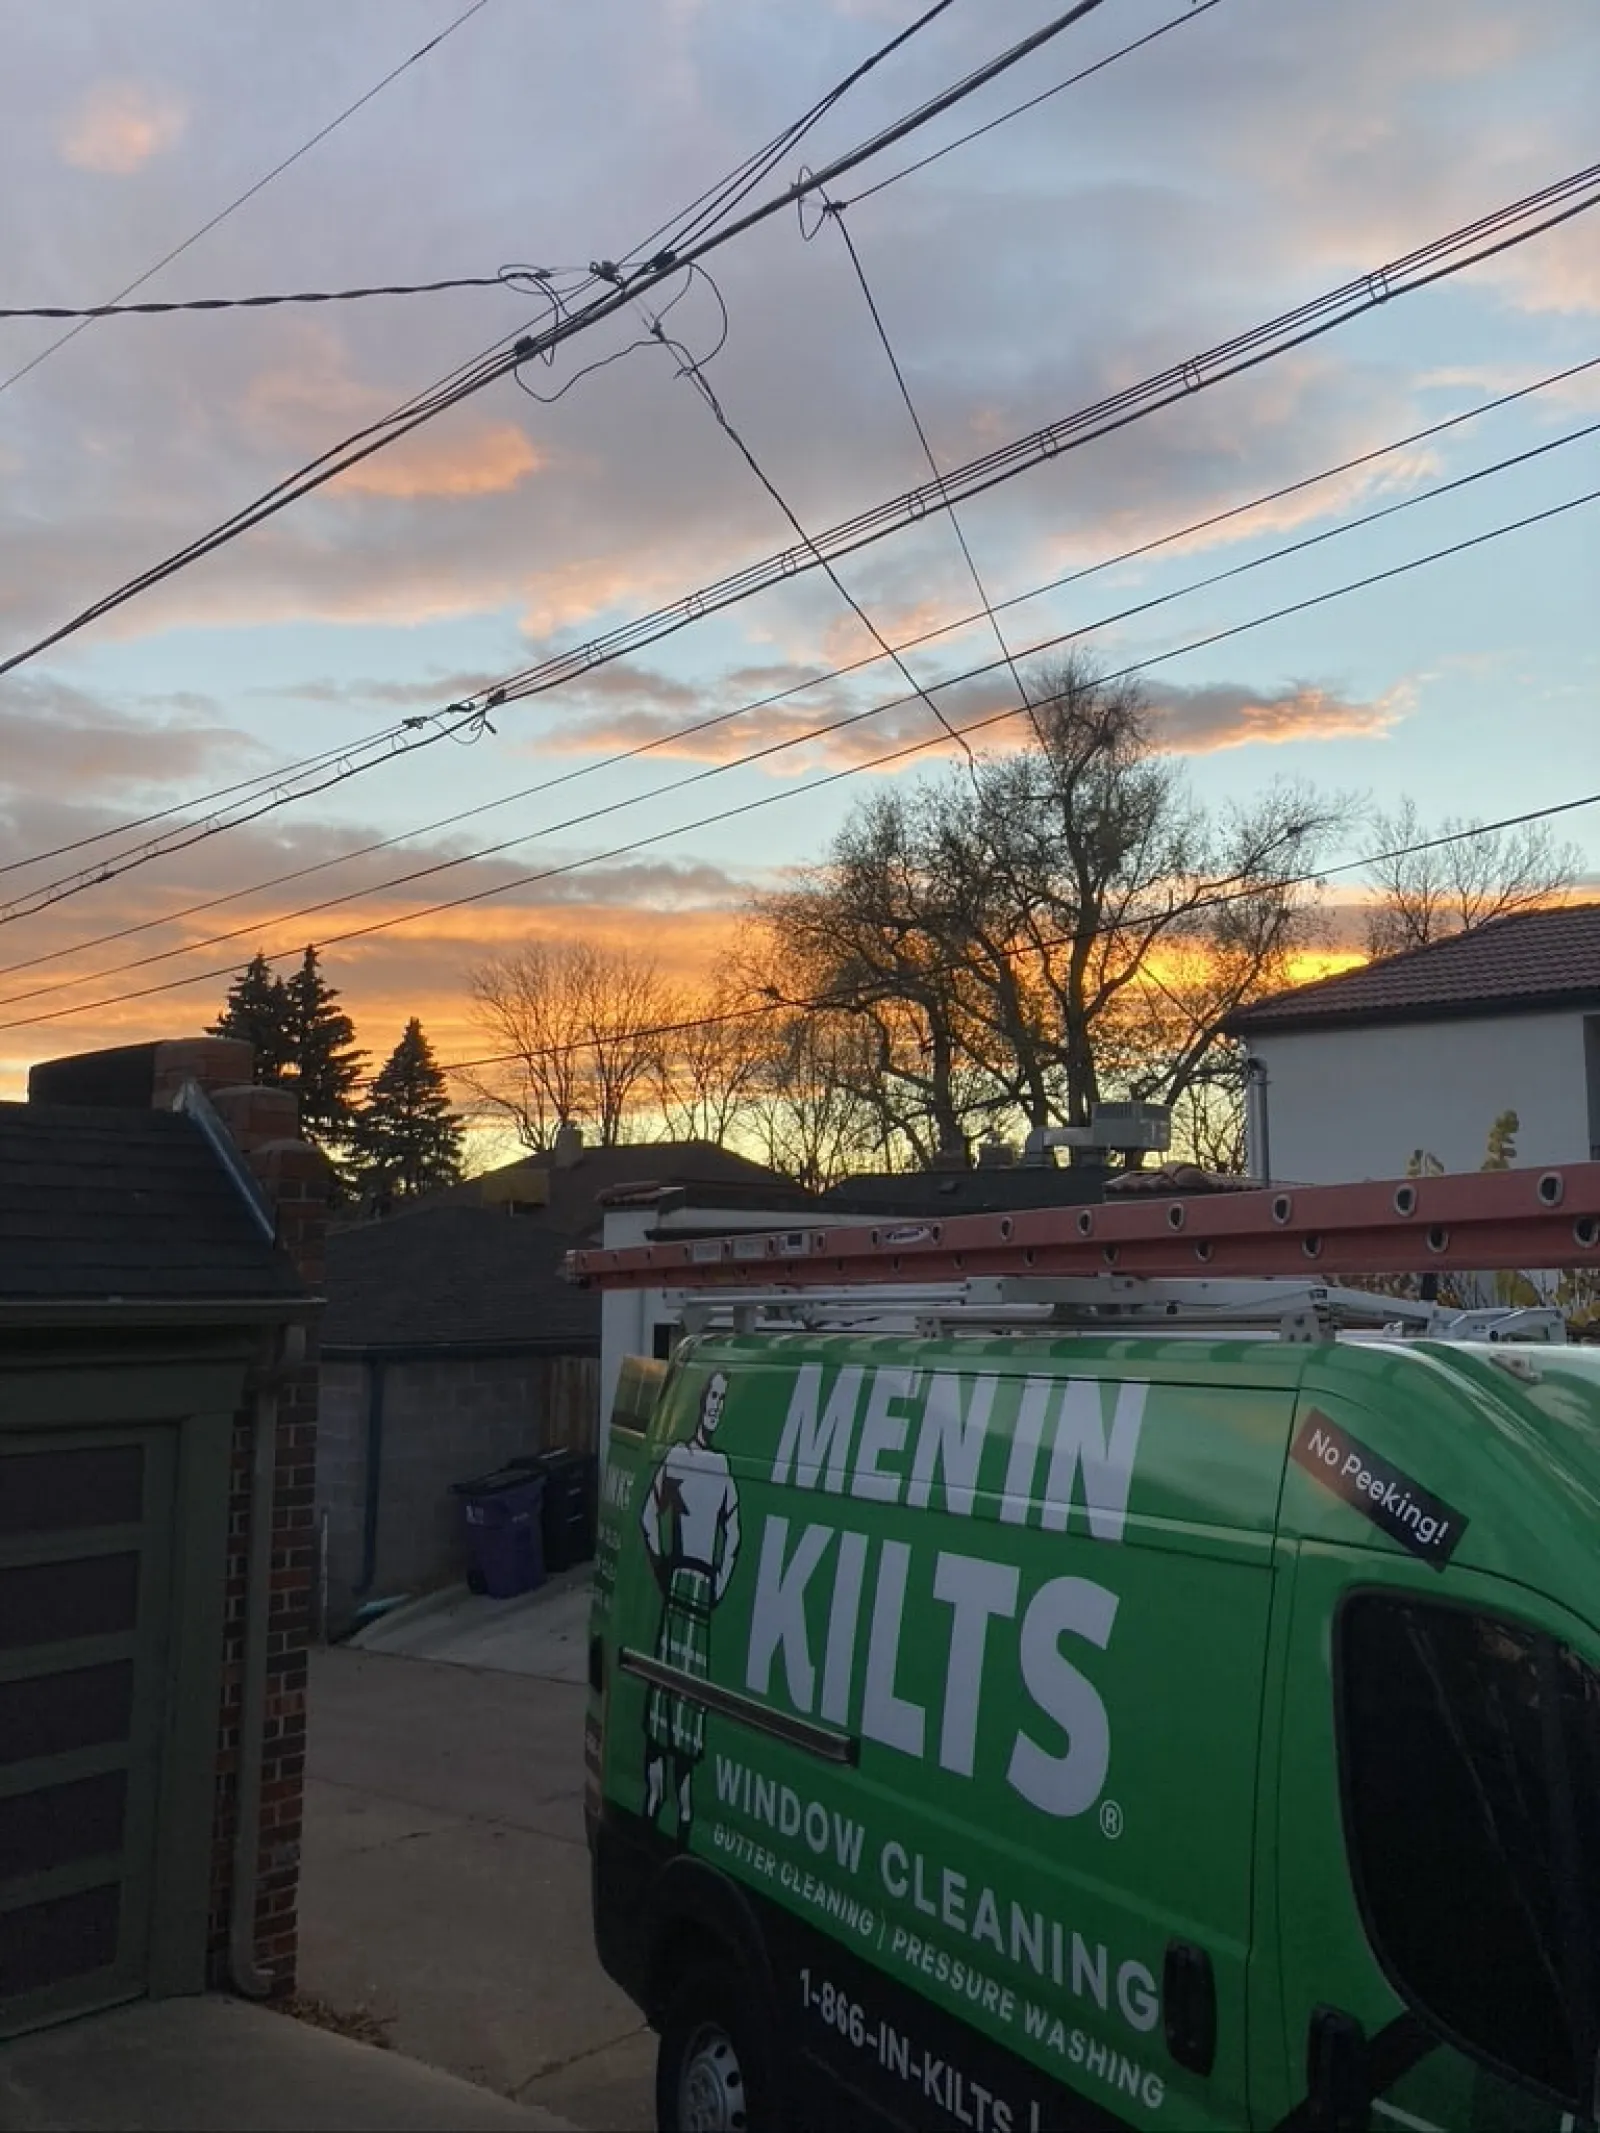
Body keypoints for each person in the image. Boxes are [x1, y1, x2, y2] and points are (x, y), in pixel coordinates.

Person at [639, 1370, 741, 1839]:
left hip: (701, 1586)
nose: (717, 1404)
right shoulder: (680, 1457)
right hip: (679, 1578)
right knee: (665, 1690)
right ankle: (653, 1797)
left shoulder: (723, 1467)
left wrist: (720, 1581)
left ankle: (683, 1810)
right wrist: (661, 1565)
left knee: (691, 1701)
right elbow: (647, 1516)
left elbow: (735, 1532)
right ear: (702, 1401)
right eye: (713, 1395)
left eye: (724, 1397)